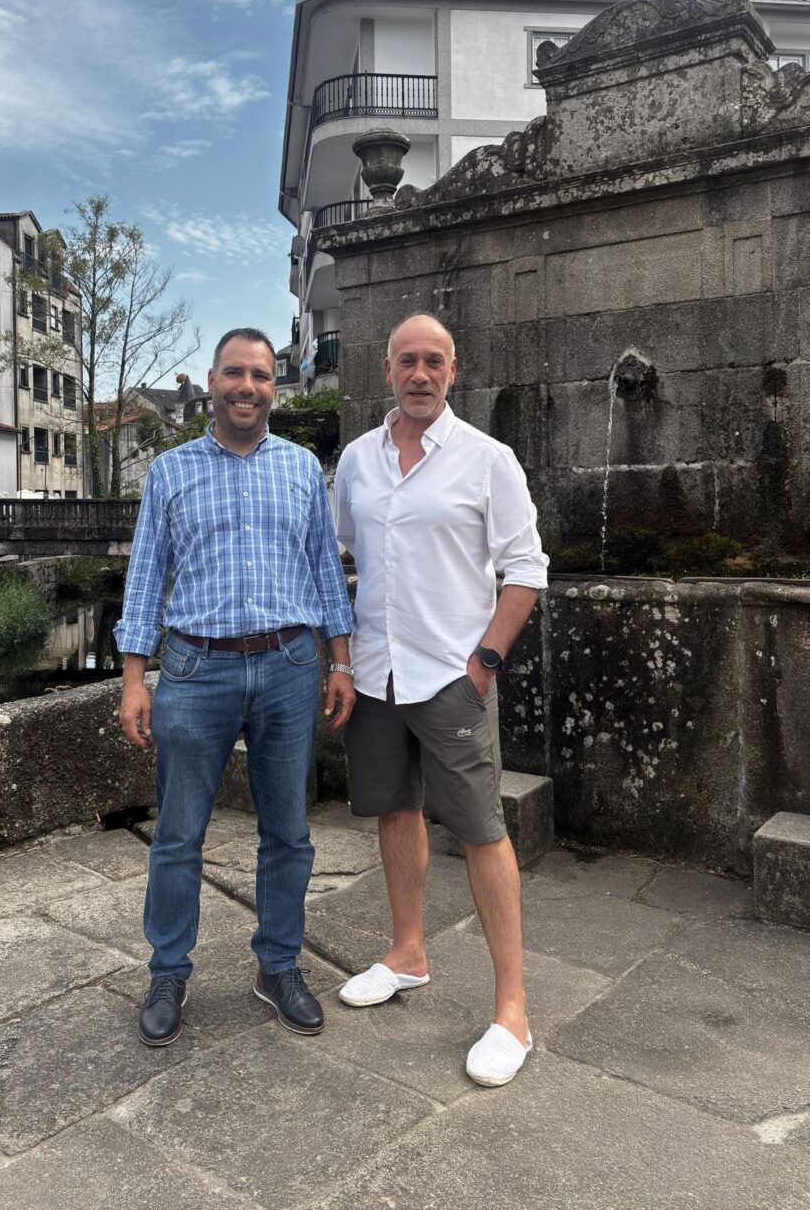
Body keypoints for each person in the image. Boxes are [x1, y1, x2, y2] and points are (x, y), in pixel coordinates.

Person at [116, 327, 355, 1047]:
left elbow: (325, 571)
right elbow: (145, 577)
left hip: (289, 667)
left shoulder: (302, 468)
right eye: (234, 374)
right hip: (196, 669)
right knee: (179, 834)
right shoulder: (170, 472)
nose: (248, 387)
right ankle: (168, 971)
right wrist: (134, 678)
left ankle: (278, 966)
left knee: (288, 833)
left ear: (274, 387)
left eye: (261, 375)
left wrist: (341, 663)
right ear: (212, 383)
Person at [333, 313, 548, 1087]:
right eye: (407, 361)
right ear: (387, 371)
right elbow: (336, 558)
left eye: (434, 361)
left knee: (483, 831)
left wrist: (483, 663)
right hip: (376, 673)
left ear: (453, 371)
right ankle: (407, 953)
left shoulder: (487, 460)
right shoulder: (356, 461)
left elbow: (527, 567)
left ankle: (513, 1010)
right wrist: (340, 659)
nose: (420, 374)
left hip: (451, 678)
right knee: (395, 812)